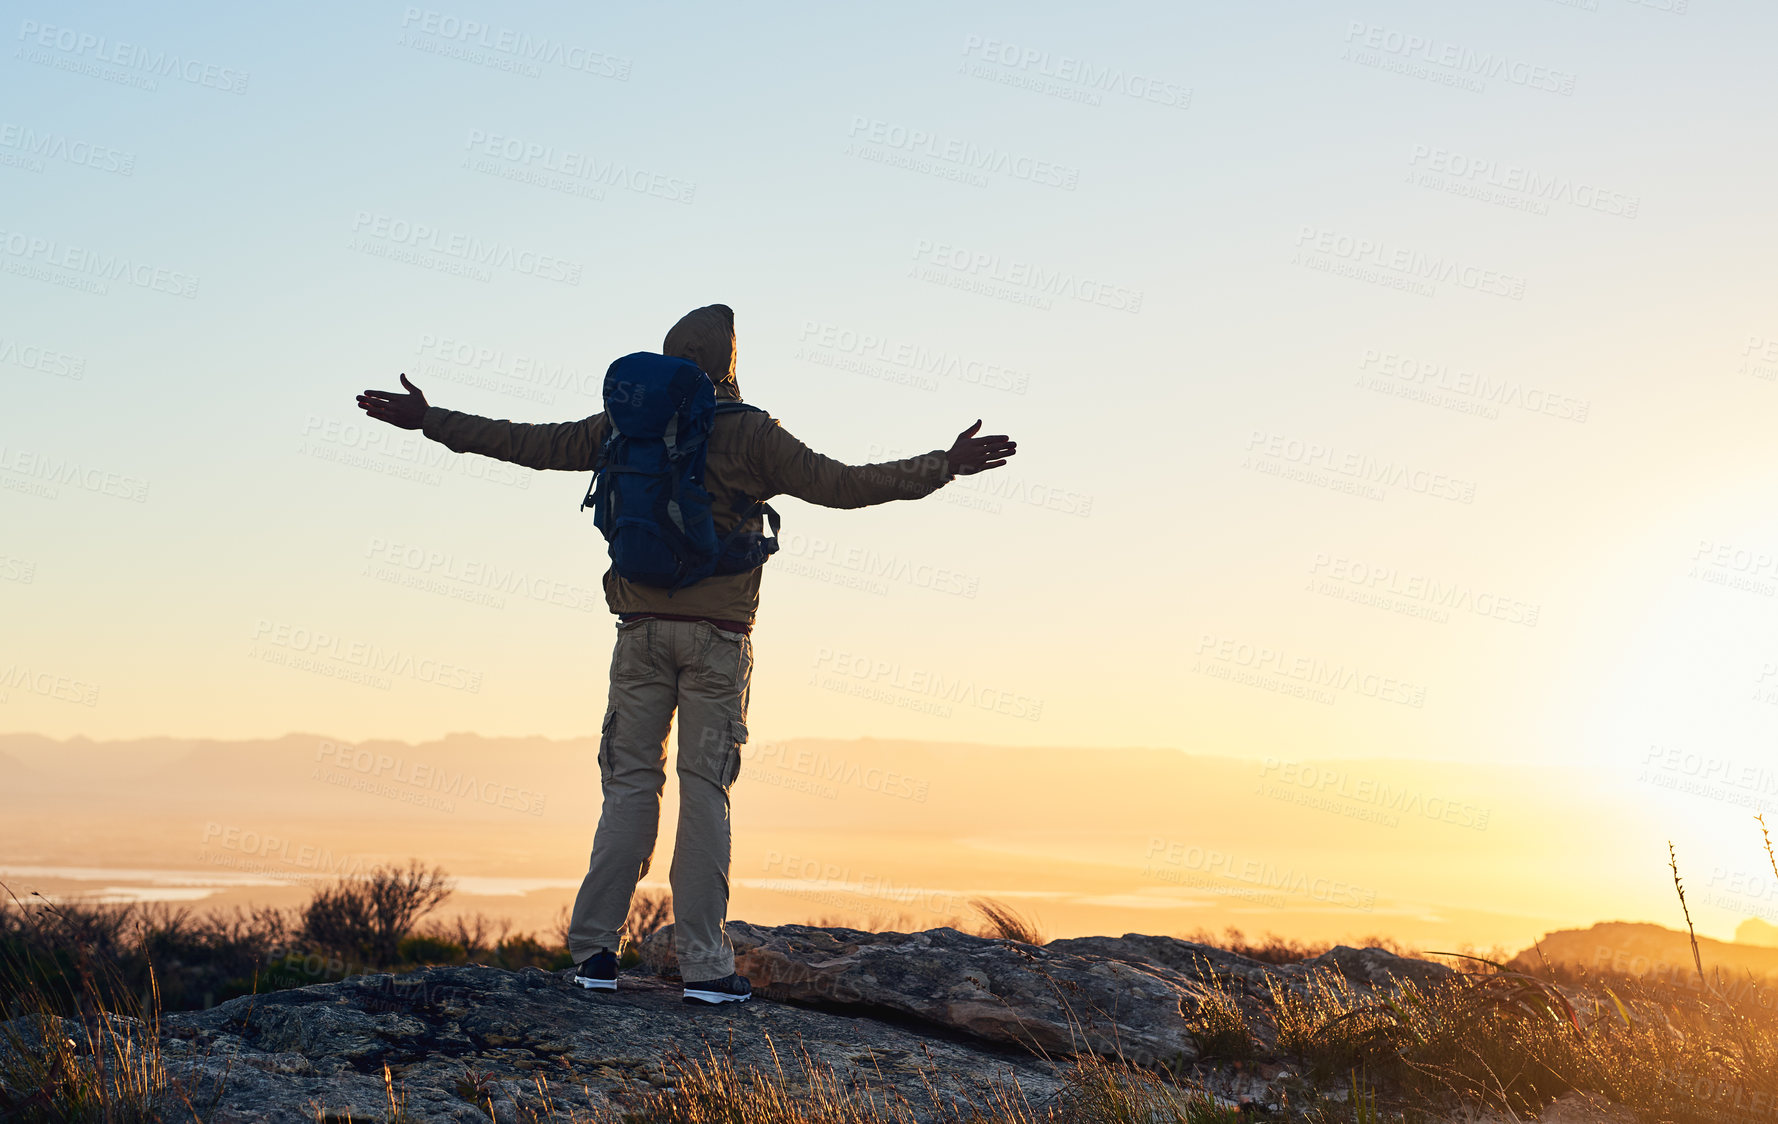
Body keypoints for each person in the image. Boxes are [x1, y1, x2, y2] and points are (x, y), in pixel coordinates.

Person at [356, 303, 1017, 1004]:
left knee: (630, 784)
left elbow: (527, 442)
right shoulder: (753, 433)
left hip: (638, 631)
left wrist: (430, 421)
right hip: (718, 640)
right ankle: (705, 966)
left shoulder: (626, 428)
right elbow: (845, 487)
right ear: (730, 362)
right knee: (705, 789)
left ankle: (592, 954)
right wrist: (943, 465)